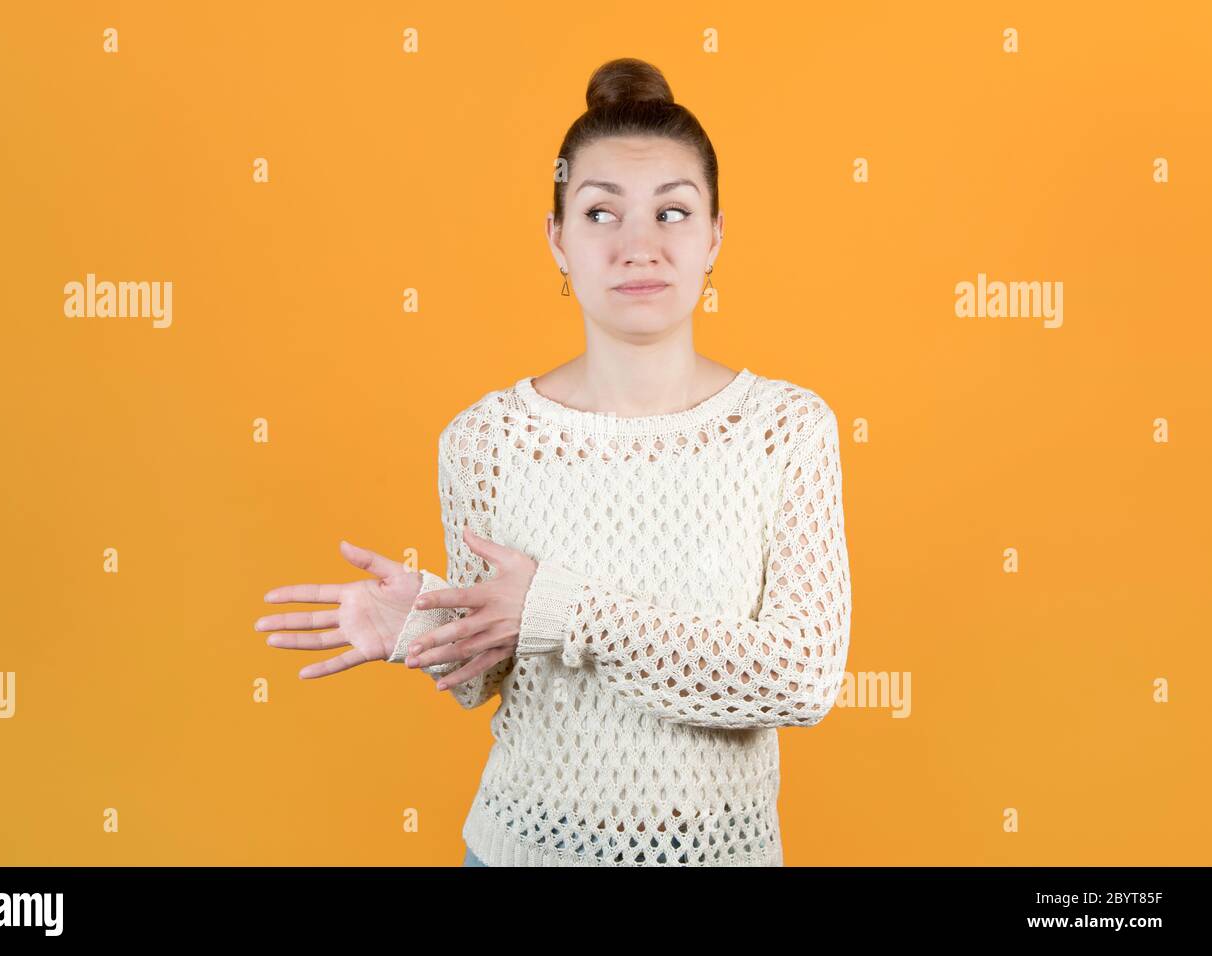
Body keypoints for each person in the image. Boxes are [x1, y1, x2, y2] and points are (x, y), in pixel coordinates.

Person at [256, 57, 851, 867]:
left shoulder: (786, 427)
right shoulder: (487, 438)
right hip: (520, 850)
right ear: (557, 241)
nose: (639, 246)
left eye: (672, 213)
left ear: (715, 235)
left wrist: (567, 610)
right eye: (602, 215)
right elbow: (485, 676)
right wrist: (426, 622)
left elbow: (801, 677)